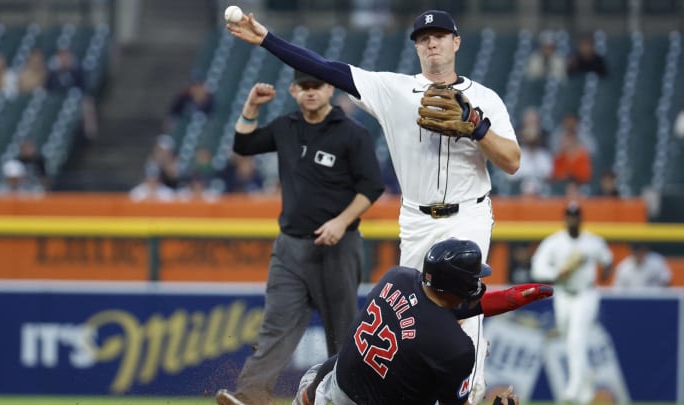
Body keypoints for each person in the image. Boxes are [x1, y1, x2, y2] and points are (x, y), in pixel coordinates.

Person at [225, 9, 521, 403]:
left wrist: (478, 126)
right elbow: (325, 68)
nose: (432, 42)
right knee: (400, 321)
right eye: (423, 37)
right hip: (417, 219)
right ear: (416, 46)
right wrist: (267, 39)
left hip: (468, 215)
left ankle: (472, 391)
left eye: (440, 35)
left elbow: (512, 161)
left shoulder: (485, 99)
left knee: (462, 321)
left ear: (456, 42)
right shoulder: (393, 89)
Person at [215, 70, 385, 405]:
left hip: (338, 247)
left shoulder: (352, 134)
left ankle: (347, 400)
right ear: (293, 90)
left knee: (342, 338)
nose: (310, 92)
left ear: (328, 88)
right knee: (275, 329)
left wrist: (341, 222)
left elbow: (372, 186)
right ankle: (250, 397)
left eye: (316, 86)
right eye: (303, 86)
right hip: (290, 247)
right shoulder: (285, 126)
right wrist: (250, 107)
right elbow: (243, 144)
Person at [214, 238, 551, 405]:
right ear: (456, 286)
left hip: (324, 389)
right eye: (474, 279)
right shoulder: (455, 348)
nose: (479, 284)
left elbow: (442, 311)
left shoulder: (398, 277)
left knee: (332, 366)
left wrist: (513, 298)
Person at [530, 202, 613, 404]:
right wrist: (558, 272)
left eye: (576, 216)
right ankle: (586, 386)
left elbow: (608, 261)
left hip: (586, 294)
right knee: (569, 340)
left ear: (581, 219)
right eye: (570, 215)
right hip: (563, 293)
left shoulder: (592, 242)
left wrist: (602, 272)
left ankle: (574, 389)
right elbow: (537, 269)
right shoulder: (554, 242)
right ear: (565, 218)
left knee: (577, 337)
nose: (573, 219)